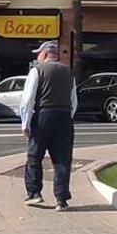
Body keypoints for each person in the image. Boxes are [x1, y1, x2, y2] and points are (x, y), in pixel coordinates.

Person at [19, 40, 78, 210]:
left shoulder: (37, 70)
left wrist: (26, 123)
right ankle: (61, 199)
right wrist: (68, 116)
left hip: (43, 116)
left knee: (34, 156)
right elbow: (74, 101)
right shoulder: (69, 72)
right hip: (64, 116)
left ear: (44, 54)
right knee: (62, 159)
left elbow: (28, 100)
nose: (37, 57)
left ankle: (34, 193)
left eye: (38, 54)